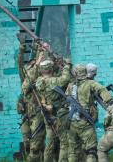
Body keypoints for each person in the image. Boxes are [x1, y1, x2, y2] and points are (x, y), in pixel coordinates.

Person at [66, 64, 112, 162]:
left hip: (72, 121)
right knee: (91, 150)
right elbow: (102, 89)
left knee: (73, 151)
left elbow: (66, 99)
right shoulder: (90, 83)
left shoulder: (71, 85)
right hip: (85, 121)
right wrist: (109, 101)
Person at [16, 34, 48, 162]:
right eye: (29, 66)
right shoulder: (25, 78)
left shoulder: (39, 78)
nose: (31, 67)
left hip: (37, 114)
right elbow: (19, 62)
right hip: (26, 115)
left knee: (36, 144)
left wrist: (39, 50)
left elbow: (39, 65)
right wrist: (22, 47)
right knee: (27, 143)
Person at [35, 59, 72, 162]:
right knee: (64, 142)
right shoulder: (53, 81)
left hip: (47, 115)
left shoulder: (39, 81)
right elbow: (65, 79)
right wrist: (66, 66)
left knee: (50, 143)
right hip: (57, 115)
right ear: (51, 69)